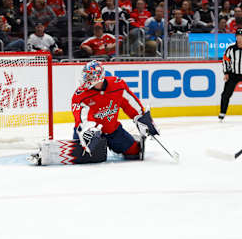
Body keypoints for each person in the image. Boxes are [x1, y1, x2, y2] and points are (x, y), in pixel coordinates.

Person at [28, 60, 159, 165]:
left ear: (99, 76)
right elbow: (81, 118)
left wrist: (142, 118)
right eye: (86, 76)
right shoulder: (80, 95)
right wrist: (89, 129)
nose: (86, 79)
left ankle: (131, 141)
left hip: (113, 130)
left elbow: (130, 103)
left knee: (134, 153)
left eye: (90, 76)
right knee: (87, 155)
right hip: (90, 132)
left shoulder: (117, 85)